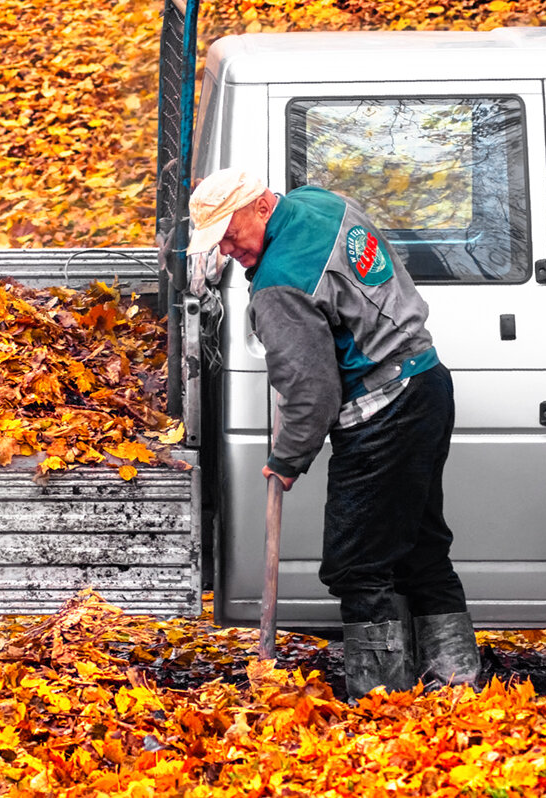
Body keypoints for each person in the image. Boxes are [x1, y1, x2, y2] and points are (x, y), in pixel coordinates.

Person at [186, 168, 480, 699]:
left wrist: (286, 458)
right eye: (219, 244)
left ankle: (382, 701)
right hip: (427, 383)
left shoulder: (279, 284)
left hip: (383, 409)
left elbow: (311, 393)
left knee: (357, 565)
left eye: (230, 234)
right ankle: (456, 685)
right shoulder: (321, 204)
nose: (228, 250)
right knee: (418, 547)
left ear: (261, 206)